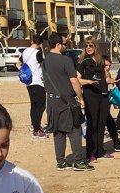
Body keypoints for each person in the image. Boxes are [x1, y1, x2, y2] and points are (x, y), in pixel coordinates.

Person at [43, 32, 89, 171]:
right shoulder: (65, 60)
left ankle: (61, 161)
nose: (65, 46)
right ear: (58, 45)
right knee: (75, 130)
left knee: (58, 132)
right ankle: (78, 161)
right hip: (67, 101)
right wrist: (80, 98)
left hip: (51, 102)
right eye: (64, 43)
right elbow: (74, 81)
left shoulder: (45, 61)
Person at [77, 36, 111, 163]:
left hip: (102, 94)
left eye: (91, 45)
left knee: (102, 124)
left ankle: (100, 150)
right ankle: (91, 153)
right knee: (92, 124)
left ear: (95, 46)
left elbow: (105, 78)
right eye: (86, 45)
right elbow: (78, 79)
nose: (88, 48)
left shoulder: (100, 61)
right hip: (90, 94)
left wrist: (111, 80)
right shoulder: (82, 62)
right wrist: (88, 82)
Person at [17, 35, 47, 139]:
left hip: (29, 82)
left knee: (34, 105)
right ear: (40, 44)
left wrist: (24, 71)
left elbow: (18, 63)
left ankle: (34, 126)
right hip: (38, 81)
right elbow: (44, 64)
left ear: (32, 41)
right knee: (41, 106)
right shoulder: (38, 53)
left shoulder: (25, 51)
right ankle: (37, 129)